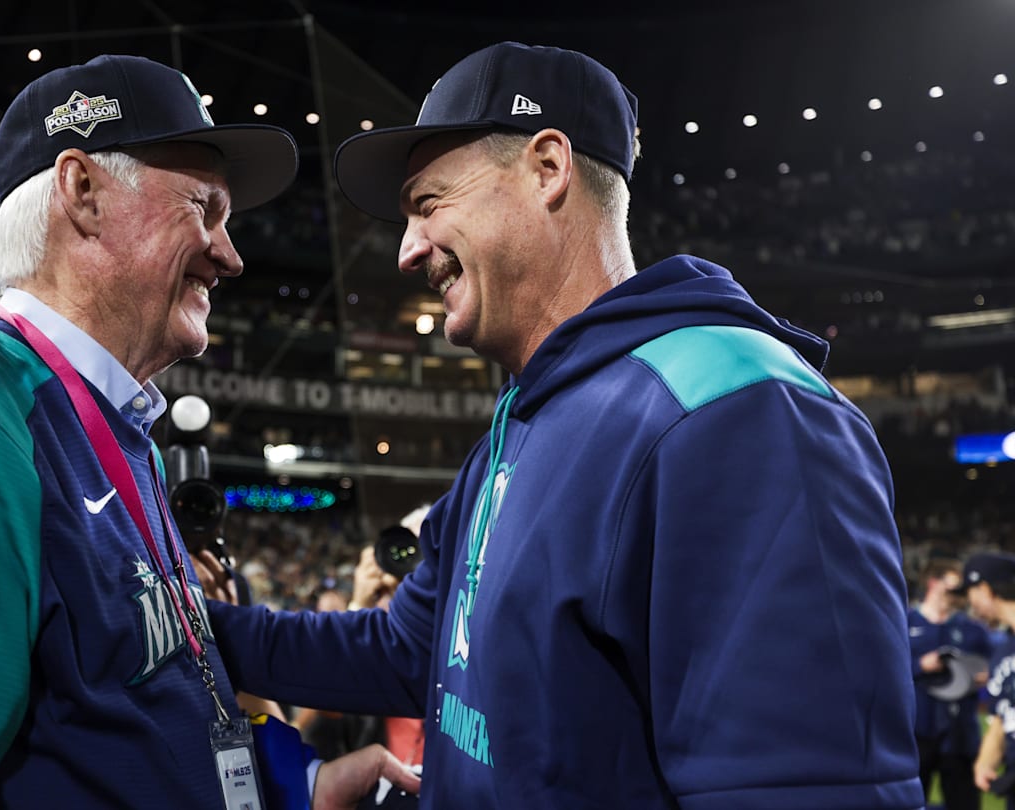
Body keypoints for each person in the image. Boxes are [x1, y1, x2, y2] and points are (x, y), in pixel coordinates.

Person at [203, 42, 921, 807]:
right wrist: (185, 622)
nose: (408, 250)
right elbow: (413, 650)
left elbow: (803, 789)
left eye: (428, 203)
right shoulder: (525, 414)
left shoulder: (742, 406)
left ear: (548, 168)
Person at [0, 54, 417, 809]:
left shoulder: (114, 432)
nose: (230, 255)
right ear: (82, 191)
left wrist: (296, 783)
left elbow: (134, 702)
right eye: (203, 208)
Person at [909, 557, 991, 809]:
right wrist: (920, 665)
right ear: (933, 583)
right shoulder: (905, 622)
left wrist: (982, 676)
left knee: (964, 802)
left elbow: (993, 667)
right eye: (953, 585)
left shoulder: (973, 629)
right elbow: (887, 670)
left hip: (959, 734)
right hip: (916, 731)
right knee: (909, 801)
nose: (959, 593)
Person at [954, 553, 1015, 804]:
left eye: (970, 592)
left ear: (985, 589)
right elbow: (1003, 716)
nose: (969, 602)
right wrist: (984, 763)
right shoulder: (1004, 651)